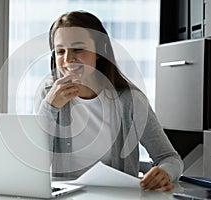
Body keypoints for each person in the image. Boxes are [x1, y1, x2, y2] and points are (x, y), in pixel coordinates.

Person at [34, 10, 183, 191]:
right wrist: (50, 108)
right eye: (60, 51)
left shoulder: (130, 101)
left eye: (78, 49)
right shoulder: (48, 96)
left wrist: (164, 172)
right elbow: (36, 162)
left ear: (99, 51)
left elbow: (170, 158)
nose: (67, 59)